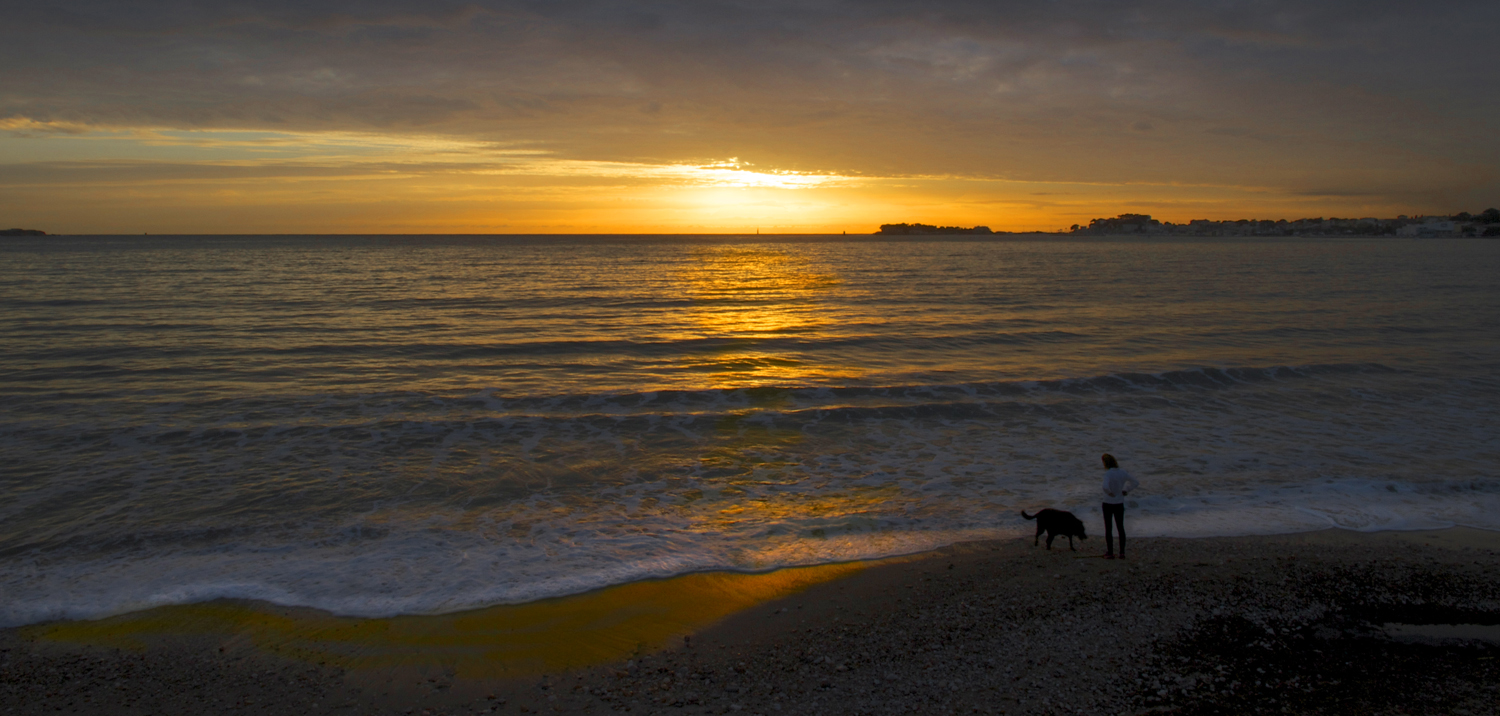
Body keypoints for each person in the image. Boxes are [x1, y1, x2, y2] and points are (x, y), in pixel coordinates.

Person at [1100, 453, 1138, 559]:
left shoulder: (1108, 474)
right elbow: (1135, 482)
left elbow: (1105, 486)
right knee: (1120, 527)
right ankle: (1122, 552)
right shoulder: (1123, 472)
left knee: (1108, 528)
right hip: (1119, 503)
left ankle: (1110, 552)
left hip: (1107, 503)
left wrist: (1109, 493)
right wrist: (1126, 490)